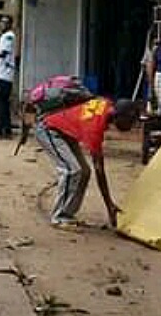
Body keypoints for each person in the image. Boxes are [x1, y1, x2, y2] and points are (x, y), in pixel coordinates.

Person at [29, 96, 141, 228]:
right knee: (72, 171)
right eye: (130, 121)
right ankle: (59, 217)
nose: (131, 126)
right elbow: (99, 171)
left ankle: (68, 214)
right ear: (118, 116)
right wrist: (109, 204)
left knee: (84, 172)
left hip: (65, 132)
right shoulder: (94, 127)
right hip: (49, 130)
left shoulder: (106, 104)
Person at [0, 16, 18, 139]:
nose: (1, 24)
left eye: (4, 22)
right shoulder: (5, 36)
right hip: (3, 73)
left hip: (4, 74)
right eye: (1, 22)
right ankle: (7, 130)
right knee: (4, 103)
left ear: (9, 24)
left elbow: (3, 53)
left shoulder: (9, 36)